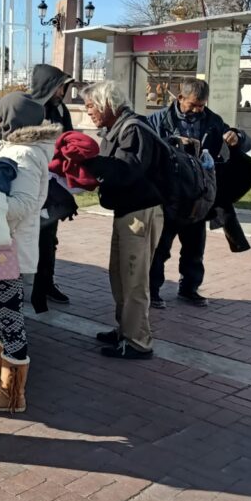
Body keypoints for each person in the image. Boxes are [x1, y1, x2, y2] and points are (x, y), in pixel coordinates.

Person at [0, 93, 60, 412]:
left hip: (8, 248)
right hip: (4, 245)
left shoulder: (22, 153)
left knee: (10, 316)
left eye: (0, 115)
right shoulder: (18, 148)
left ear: (12, 119)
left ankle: (13, 394)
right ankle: (1, 373)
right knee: (3, 311)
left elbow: (20, 205)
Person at [146, 78, 251, 308]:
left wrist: (238, 137)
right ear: (180, 98)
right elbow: (146, 146)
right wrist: (172, 141)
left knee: (195, 246)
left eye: (201, 105)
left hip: (199, 193)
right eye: (193, 104)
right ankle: (152, 290)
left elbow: (245, 143)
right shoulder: (157, 120)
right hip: (169, 193)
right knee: (160, 247)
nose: (197, 110)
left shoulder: (213, 121)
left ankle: (189, 288)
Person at [81, 81, 165, 360]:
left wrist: (88, 162)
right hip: (128, 212)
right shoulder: (120, 128)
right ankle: (125, 330)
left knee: (134, 279)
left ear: (107, 104)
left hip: (139, 214)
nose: (88, 110)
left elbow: (126, 171)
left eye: (91, 105)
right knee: (119, 274)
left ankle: (138, 341)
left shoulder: (133, 130)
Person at [26, 64, 75, 312]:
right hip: (30, 181)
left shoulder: (61, 109)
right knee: (24, 236)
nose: (62, 91)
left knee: (48, 237)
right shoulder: (30, 109)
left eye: (64, 87)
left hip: (54, 183)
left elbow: (69, 137)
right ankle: (6, 284)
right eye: (59, 86)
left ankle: (45, 283)